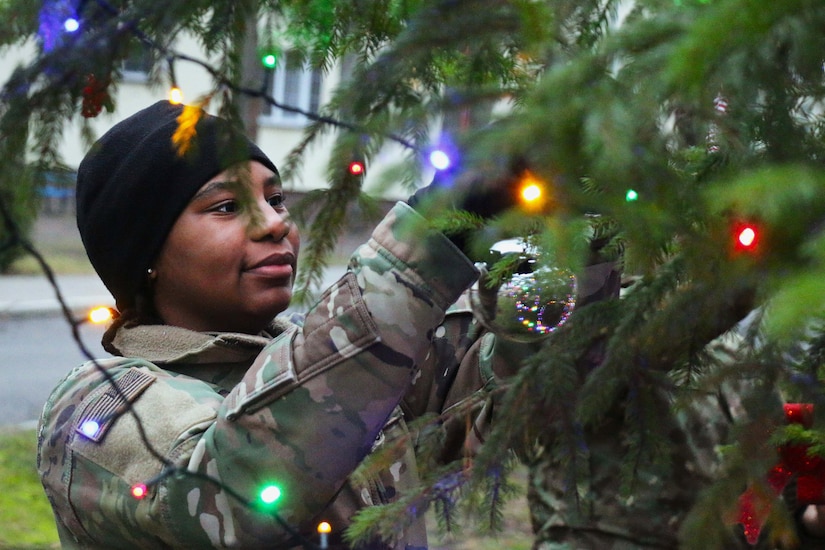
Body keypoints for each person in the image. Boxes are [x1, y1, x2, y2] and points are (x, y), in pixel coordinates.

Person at [36, 100, 577, 549]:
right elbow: (229, 498)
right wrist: (427, 235)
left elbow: (533, 390)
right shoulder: (96, 406)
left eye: (275, 199)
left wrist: (580, 242)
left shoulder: (358, 367)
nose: (275, 224)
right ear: (146, 255)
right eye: (226, 207)